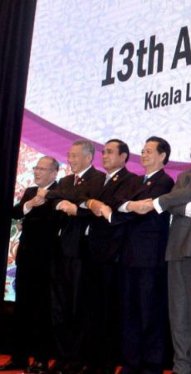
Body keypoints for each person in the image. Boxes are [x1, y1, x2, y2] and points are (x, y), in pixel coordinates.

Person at [131, 136, 191, 374]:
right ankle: (181, 365)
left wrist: (171, 202)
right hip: (176, 248)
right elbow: (177, 202)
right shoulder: (180, 177)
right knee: (178, 313)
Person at [108, 136, 175, 374]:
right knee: (129, 313)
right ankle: (130, 363)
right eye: (143, 151)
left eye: (148, 151)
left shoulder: (166, 182)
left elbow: (148, 210)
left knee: (150, 313)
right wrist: (132, 206)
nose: (143, 155)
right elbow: (116, 201)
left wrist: (130, 207)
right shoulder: (135, 180)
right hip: (127, 257)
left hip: (150, 258)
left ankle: (151, 365)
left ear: (162, 155)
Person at [40, 140, 105, 374]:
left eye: (75, 155)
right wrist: (61, 203)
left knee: (78, 307)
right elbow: (54, 200)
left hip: (81, 252)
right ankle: (63, 355)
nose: (70, 159)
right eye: (69, 154)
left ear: (89, 158)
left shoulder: (99, 179)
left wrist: (68, 200)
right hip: (59, 251)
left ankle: (77, 358)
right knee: (59, 307)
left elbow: (80, 199)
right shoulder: (66, 180)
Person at [81, 139, 139, 374]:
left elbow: (115, 207)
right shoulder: (98, 180)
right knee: (91, 311)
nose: (104, 156)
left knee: (109, 312)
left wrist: (94, 203)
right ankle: (92, 361)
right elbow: (81, 198)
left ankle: (105, 363)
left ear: (124, 157)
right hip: (92, 253)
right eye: (103, 152)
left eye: (110, 152)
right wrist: (91, 202)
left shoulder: (131, 180)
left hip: (113, 255)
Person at [1, 157, 60, 373]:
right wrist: (29, 204)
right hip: (25, 259)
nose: (37, 172)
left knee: (42, 311)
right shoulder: (31, 191)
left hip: (47, 261)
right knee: (22, 310)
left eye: (43, 169)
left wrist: (38, 209)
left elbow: (52, 221)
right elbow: (16, 212)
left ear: (54, 173)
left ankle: (42, 359)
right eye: (36, 168)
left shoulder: (58, 193)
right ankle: (19, 358)